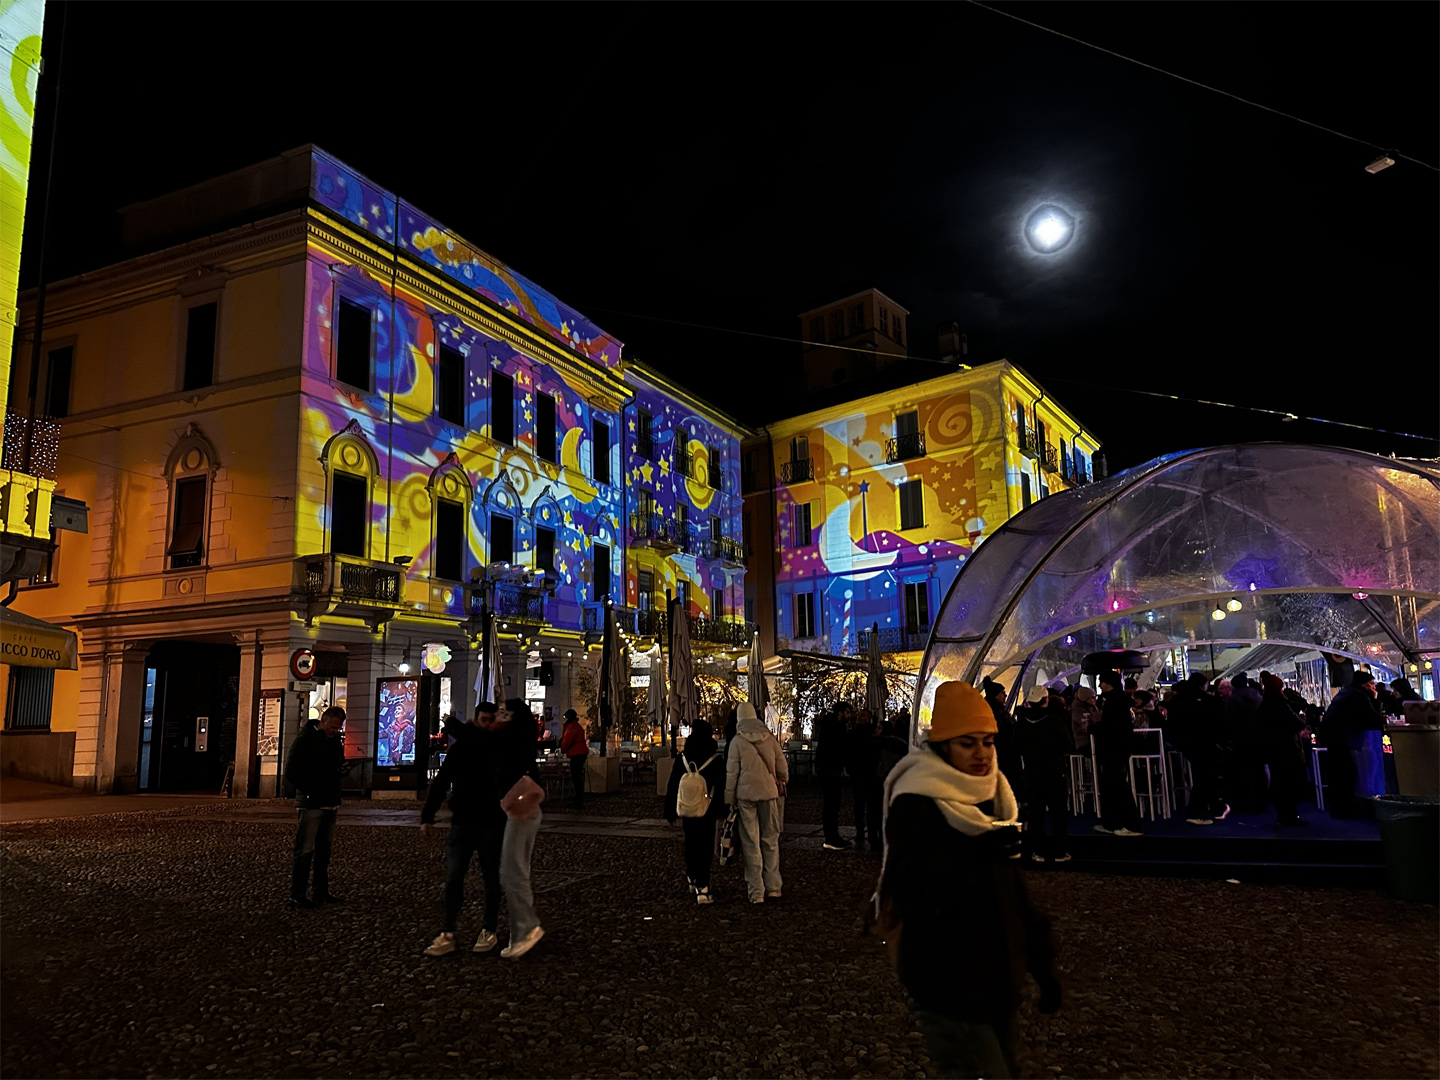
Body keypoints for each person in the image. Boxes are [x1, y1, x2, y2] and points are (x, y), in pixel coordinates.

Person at [878, 680, 1060, 1079]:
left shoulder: (995, 794)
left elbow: (1014, 891)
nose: (981, 754)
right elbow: (912, 889)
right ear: (943, 746)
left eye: (988, 741)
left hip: (996, 973)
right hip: (946, 976)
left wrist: (1042, 962)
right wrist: (977, 852)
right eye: (967, 743)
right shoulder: (916, 801)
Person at [420, 699, 545, 959]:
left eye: (497, 717)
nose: (491, 723)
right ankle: (451, 931)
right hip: (466, 819)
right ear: (477, 719)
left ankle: (497, 930)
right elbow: (442, 780)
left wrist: (451, 723)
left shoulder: (501, 742)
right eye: (486, 719)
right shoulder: (486, 743)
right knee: (461, 877)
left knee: (502, 875)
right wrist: (428, 814)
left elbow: (478, 743)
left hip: (495, 819)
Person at [285, 706, 351, 908]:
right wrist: (310, 789)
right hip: (312, 801)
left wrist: (342, 769)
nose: (335, 731)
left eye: (338, 728)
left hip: (329, 801)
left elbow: (335, 764)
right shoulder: (305, 740)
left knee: (324, 850)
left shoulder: (332, 742)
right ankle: (298, 894)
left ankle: (320, 891)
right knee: (305, 849)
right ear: (323, 721)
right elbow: (291, 772)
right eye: (333, 727)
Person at [725, 701, 789, 903]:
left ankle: (756, 892)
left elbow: (732, 774)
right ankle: (774, 888)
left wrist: (729, 798)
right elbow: (783, 769)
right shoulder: (769, 739)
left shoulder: (737, 742)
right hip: (769, 794)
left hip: (745, 797)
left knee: (751, 843)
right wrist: (781, 781)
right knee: (770, 841)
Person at [664, 719, 726, 904]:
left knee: (690, 842)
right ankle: (703, 888)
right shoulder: (716, 759)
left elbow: (673, 784)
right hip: (708, 809)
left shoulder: (682, 758)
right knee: (705, 847)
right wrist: (722, 809)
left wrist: (670, 809)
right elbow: (722, 787)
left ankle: (691, 876)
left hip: (687, 807)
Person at [1017, 686, 1074, 862]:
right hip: (1055, 772)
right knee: (1058, 812)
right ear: (1046, 700)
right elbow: (1068, 747)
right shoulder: (1055, 721)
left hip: (1032, 772)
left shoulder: (1021, 723)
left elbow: (1016, 747)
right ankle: (1059, 852)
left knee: (1035, 812)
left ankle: (1038, 851)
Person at [1319, 671, 1384, 819]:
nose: (1374, 687)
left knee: (1338, 773)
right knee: (1346, 772)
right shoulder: (1358, 696)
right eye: (1371, 684)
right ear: (1364, 684)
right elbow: (1373, 718)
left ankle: (1339, 808)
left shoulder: (1346, 693)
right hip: (1341, 739)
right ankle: (1345, 809)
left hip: (1333, 737)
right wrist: (1375, 700)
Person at [1167, 673, 1225, 824]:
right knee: (1205, 777)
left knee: (1202, 776)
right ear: (1203, 685)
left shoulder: (1178, 700)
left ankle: (1204, 808)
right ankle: (1196, 811)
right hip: (1205, 743)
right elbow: (1218, 722)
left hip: (1187, 743)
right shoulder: (1208, 701)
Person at [1092, 671, 1143, 836]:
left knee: (1117, 785)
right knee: (1112, 785)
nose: (1100, 685)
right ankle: (1114, 823)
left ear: (1110, 683)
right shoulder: (1117, 700)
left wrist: (1094, 727)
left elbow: (1111, 726)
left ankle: (1129, 824)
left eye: (1102, 682)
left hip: (1114, 748)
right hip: (1116, 748)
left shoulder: (1114, 702)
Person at [1256, 672, 1307, 826]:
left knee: (1280, 782)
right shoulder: (1280, 704)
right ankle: (1289, 815)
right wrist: (1303, 718)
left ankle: (1284, 814)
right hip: (1286, 749)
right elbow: (1296, 722)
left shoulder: (1264, 704)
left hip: (1273, 749)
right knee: (1288, 784)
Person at [847, 708, 884, 852]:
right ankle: (866, 834)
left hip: (867, 774)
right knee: (865, 806)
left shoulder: (868, 734)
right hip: (864, 774)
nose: (859, 717)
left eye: (863, 715)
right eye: (859, 715)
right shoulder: (869, 734)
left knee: (868, 807)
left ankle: (868, 835)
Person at [816, 706, 851, 850]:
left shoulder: (831, 725)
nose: (849, 716)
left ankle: (832, 836)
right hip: (830, 770)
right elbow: (837, 747)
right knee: (832, 804)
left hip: (829, 769)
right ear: (840, 713)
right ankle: (831, 837)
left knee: (832, 804)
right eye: (848, 713)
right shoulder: (835, 727)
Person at [981, 678, 1023, 796]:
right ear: (995, 695)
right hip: (1003, 754)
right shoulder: (995, 712)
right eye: (1002, 693)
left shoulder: (997, 710)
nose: (1005, 695)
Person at [560, 708, 589, 809]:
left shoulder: (572, 727)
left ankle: (578, 801)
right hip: (580, 752)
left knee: (576, 777)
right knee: (577, 777)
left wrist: (562, 749)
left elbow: (567, 741)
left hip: (577, 753)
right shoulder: (576, 726)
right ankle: (578, 799)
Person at [1069, 685, 1100, 750]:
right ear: (1086, 698)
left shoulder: (1091, 707)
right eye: (1093, 697)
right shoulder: (1078, 710)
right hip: (1084, 742)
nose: (1095, 699)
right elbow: (1089, 724)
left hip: (1093, 740)